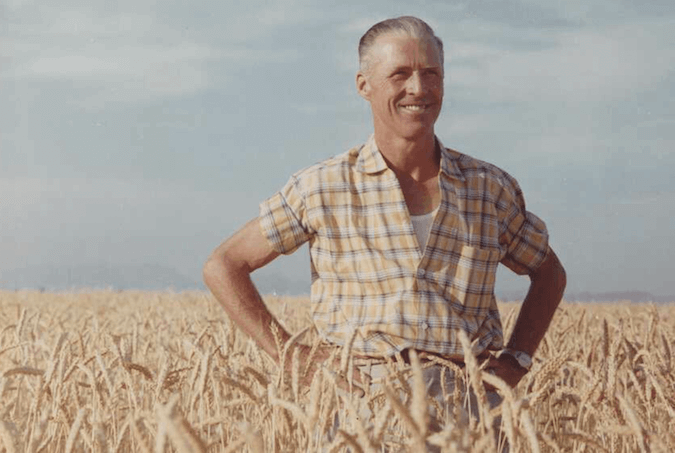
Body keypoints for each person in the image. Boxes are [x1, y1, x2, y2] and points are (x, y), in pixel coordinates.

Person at [203, 14, 566, 443]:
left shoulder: (488, 188)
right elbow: (225, 264)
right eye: (400, 74)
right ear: (364, 86)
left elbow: (549, 273)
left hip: (469, 410)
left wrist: (516, 359)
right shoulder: (323, 186)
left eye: (431, 73)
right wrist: (292, 356)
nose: (419, 88)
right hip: (359, 412)